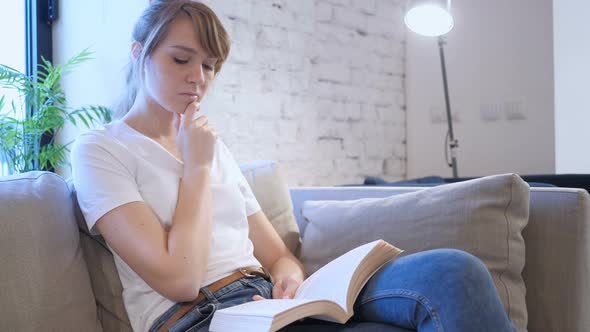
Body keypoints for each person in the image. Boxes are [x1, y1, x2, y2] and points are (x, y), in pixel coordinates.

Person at [71, 1, 517, 331]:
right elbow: (181, 279)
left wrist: (288, 275)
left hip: (266, 302)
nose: (199, 78)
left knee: (454, 273)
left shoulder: (208, 146)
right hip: (199, 317)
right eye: (181, 59)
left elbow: (278, 254)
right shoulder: (101, 150)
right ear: (138, 53)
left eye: (210, 66)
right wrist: (197, 166)